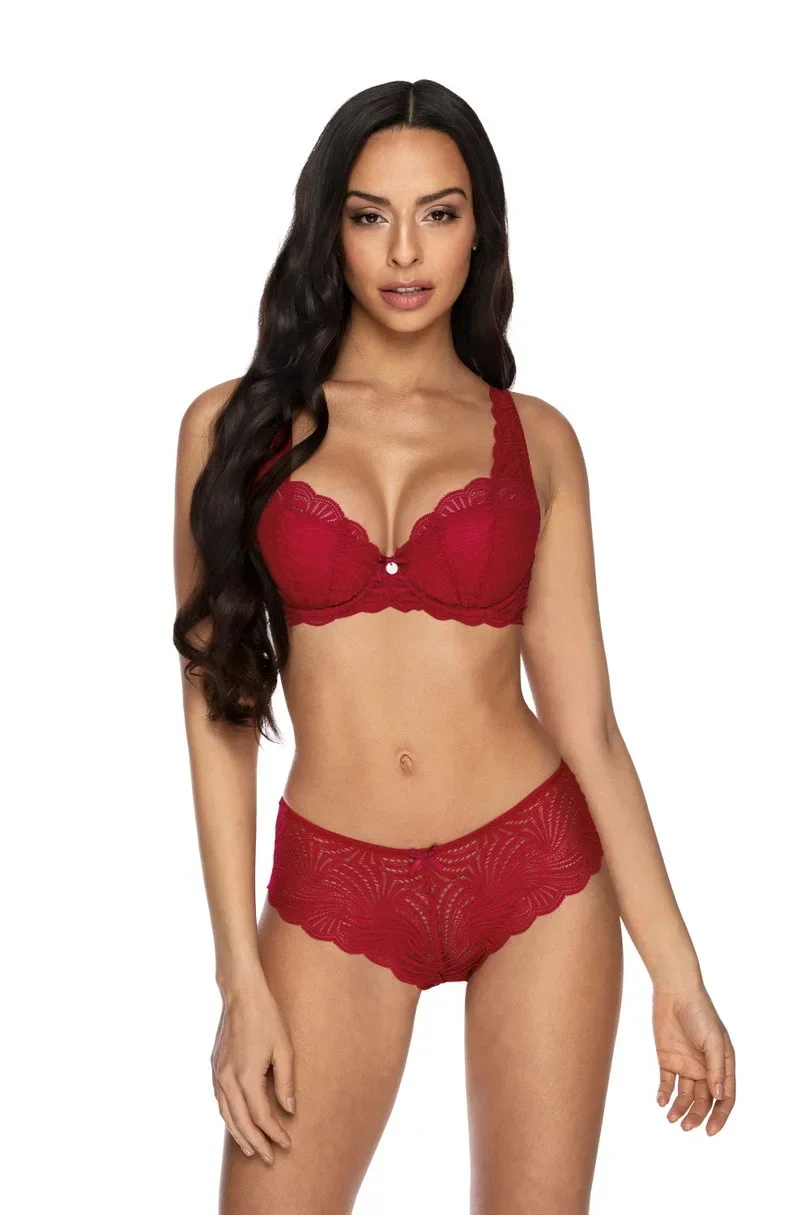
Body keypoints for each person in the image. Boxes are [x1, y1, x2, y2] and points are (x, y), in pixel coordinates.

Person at [173, 79, 736, 1214]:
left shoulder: (538, 441)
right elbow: (219, 709)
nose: (405, 252)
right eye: (370, 215)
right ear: (329, 228)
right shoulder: (230, 429)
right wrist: (239, 974)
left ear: (480, 229)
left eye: (438, 212)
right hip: (335, 889)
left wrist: (678, 968)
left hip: (537, 872)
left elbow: (589, 726)